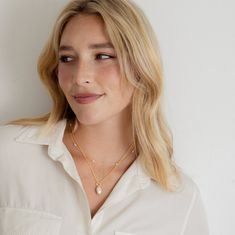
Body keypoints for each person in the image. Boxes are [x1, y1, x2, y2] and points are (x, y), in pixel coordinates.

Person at [0, 0, 209, 234]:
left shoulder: (179, 200)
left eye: (102, 56)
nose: (80, 77)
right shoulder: (8, 155)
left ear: (140, 66)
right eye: (67, 58)